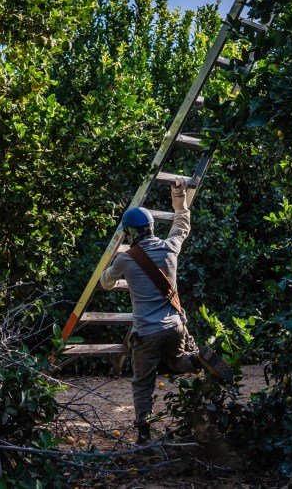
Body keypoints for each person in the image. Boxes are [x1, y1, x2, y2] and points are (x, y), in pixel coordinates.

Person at [100, 176, 232, 444]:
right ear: (150, 227)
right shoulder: (170, 247)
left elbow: (106, 282)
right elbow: (182, 223)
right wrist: (179, 196)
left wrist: (114, 263)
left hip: (147, 332)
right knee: (176, 363)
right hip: (175, 325)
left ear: (130, 233)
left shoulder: (125, 259)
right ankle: (198, 360)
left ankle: (144, 433)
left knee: (143, 383)